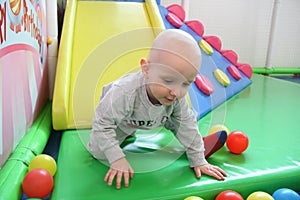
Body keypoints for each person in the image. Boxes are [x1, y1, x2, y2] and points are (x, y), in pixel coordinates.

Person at [88, 29, 227, 190]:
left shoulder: (175, 97)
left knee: (182, 122)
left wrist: (198, 159)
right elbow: (102, 124)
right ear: (146, 70)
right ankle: (125, 133)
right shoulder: (124, 92)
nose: (176, 92)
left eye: (186, 83)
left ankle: (197, 146)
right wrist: (117, 159)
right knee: (99, 152)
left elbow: (186, 124)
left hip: (158, 116)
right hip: (118, 121)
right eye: (168, 80)